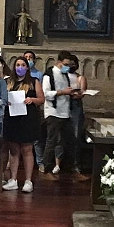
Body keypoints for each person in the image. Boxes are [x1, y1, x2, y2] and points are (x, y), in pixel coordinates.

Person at [2, 56, 45, 193]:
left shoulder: (34, 81)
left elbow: (41, 99)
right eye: (17, 65)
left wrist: (32, 99)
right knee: (13, 150)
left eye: (22, 65)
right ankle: (13, 179)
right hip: (12, 118)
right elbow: (3, 97)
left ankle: (28, 180)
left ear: (27, 67)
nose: (20, 67)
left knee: (27, 150)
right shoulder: (8, 81)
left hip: (28, 119)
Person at [41, 51, 76, 179]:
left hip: (65, 112)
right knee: (52, 141)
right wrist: (62, 92)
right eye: (65, 64)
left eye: (69, 65)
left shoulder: (66, 75)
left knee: (69, 141)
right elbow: (46, 93)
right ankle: (46, 169)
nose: (67, 67)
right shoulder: (49, 74)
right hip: (53, 112)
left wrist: (72, 93)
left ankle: (70, 169)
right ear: (59, 62)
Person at [67, 54, 89, 181]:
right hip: (63, 107)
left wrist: (71, 93)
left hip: (75, 108)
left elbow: (81, 93)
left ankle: (76, 166)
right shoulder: (62, 76)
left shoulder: (80, 78)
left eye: (73, 63)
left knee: (76, 136)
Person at [24, 50, 44, 171]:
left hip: (33, 109)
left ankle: (40, 161)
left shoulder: (38, 75)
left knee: (35, 140)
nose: (28, 59)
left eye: (30, 57)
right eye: (26, 57)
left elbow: (40, 95)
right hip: (19, 110)